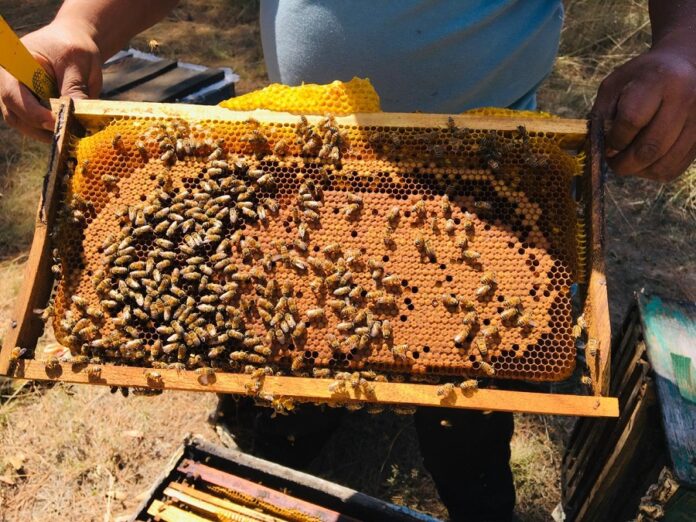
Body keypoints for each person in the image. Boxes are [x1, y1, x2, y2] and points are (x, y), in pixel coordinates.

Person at [1, 2, 693, 520]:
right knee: (275, 378)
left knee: (474, 405)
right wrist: (85, 22)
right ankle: (276, 455)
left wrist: (684, 46)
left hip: (489, 191)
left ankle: (478, 495)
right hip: (291, 183)